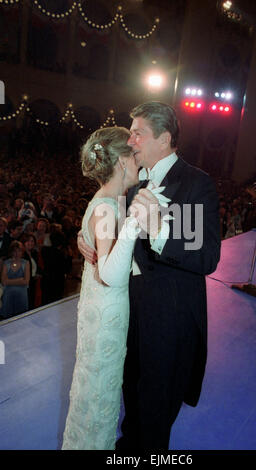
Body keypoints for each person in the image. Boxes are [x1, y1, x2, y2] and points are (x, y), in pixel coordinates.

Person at [78, 101, 221, 450]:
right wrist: (87, 239)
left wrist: (159, 230)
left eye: (139, 134)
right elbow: (106, 220)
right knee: (132, 399)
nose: (132, 142)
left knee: (157, 414)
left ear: (165, 138)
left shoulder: (196, 184)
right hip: (129, 314)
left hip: (169, 321)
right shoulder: (129, 182)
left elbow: (207, 257)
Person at [62, 126, 141, 450]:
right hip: (107, 306)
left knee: (96, 386)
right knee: (100, 391)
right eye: (134, 155)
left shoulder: (111, 202)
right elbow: (109, 272)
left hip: (101, 306)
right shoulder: (109, 206)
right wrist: (136, 223)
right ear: (122, 161)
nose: (139, 161)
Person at [0, 240, 30, 319]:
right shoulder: (6, 263)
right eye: (15, 251)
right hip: (8, 298)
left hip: (22, 297)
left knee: (21, 320)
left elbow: (26, 281)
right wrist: (20, 280)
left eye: (19, 251)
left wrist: (9, 281)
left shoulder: (26, 263)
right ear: (11, 252)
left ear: (22, 251)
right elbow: (3, 281)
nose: (17, 253)